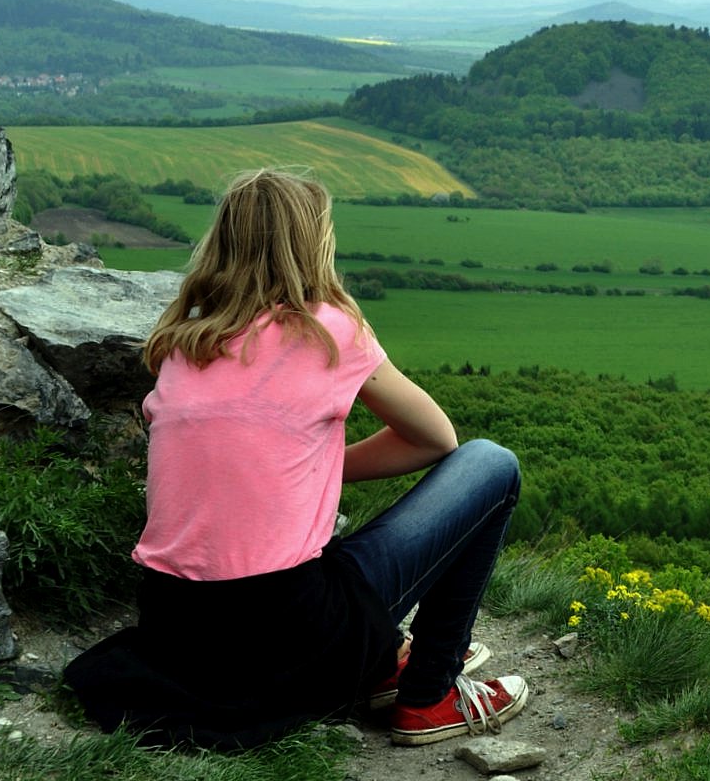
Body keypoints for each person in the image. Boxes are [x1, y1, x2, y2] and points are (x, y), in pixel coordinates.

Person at [65, 168, 528, 749]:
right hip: (288, 632)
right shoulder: (328, 331)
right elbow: (436, 439)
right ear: (314, 244)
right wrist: (327, 465)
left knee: (301, 553)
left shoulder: (183, 342)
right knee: (491, 465)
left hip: (176, 632)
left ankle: (388, 662)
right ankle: (429, 693)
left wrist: (305, 468)